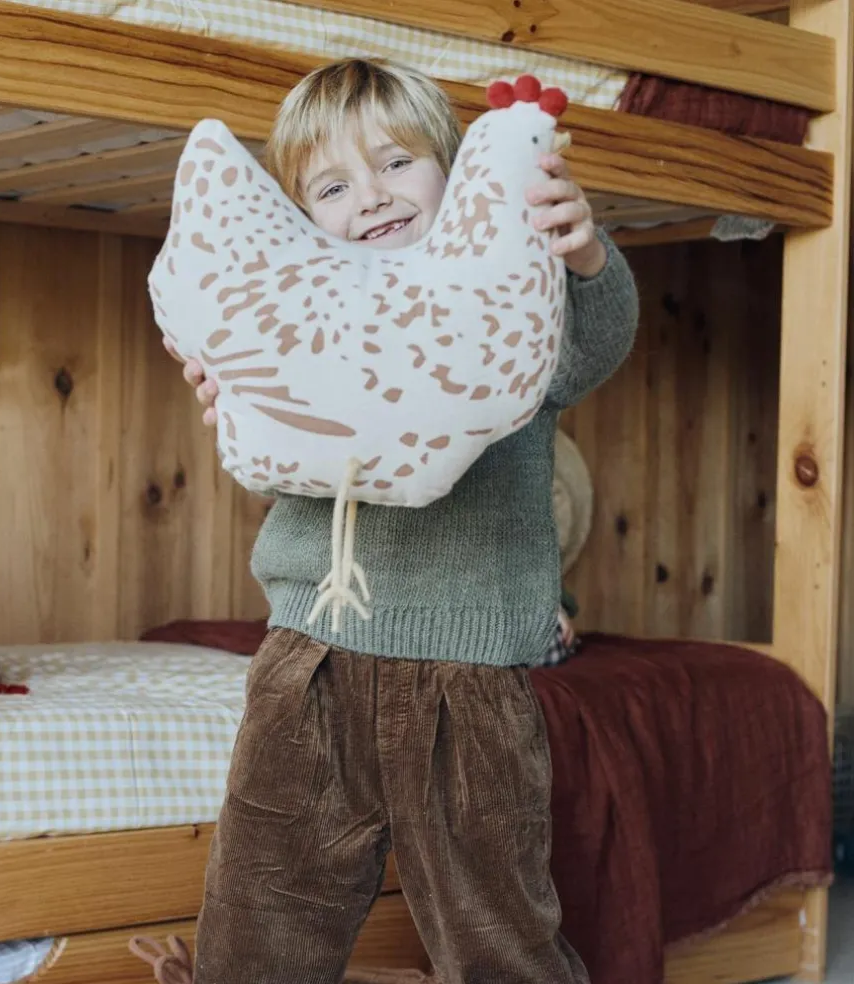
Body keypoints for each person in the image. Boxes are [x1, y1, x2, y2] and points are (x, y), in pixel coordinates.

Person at [167, 58, 638, 984]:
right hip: (310, 658)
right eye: (333, 186)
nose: (370, 197)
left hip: (469, 675)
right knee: (264, 906)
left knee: (494, 921)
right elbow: (289, 462)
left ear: (453, 172)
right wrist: (236, 394)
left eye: (395, 164)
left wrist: (584, 256)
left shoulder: (501, 297)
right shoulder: (305, 320)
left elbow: (596, 339)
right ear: (303, 219)